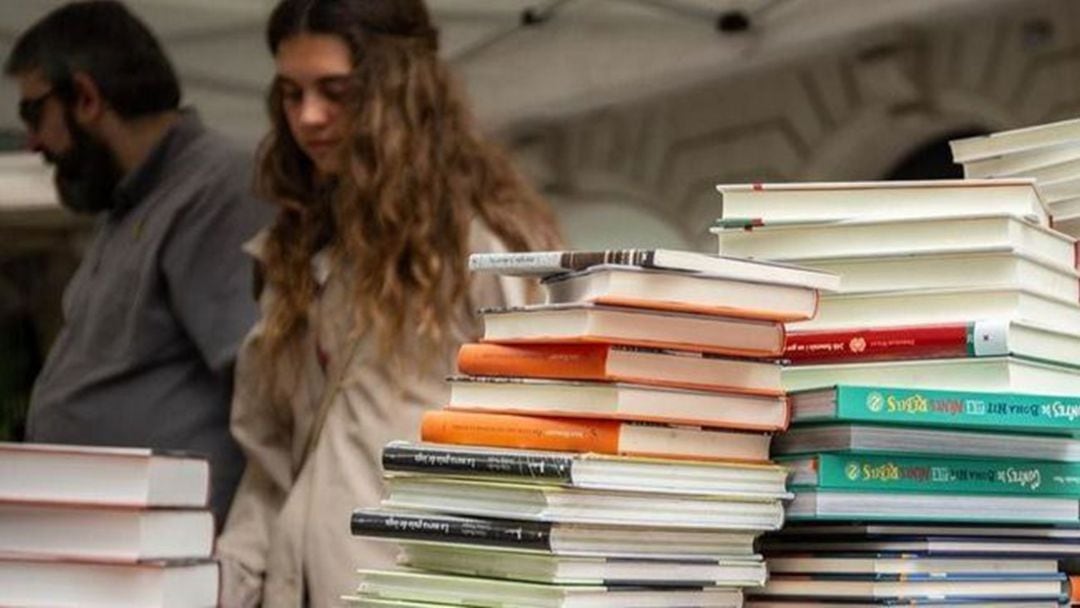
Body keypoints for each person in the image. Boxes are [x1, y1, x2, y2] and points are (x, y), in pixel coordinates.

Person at [214, 0, 563, 605]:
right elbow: (270, 467)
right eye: (291, 94)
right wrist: (227, 585)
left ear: (396, 91)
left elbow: (551, 443)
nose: (309, 117)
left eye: (335, 91)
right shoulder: (298, 248)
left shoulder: (488, 244)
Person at [5, 1, 270, 526]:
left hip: (169, 560)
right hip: (109, 551)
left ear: (85, 97)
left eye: (33, 113)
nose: (33, 141)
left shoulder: (214, 190)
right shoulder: (129, 202)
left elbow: (263, 396)